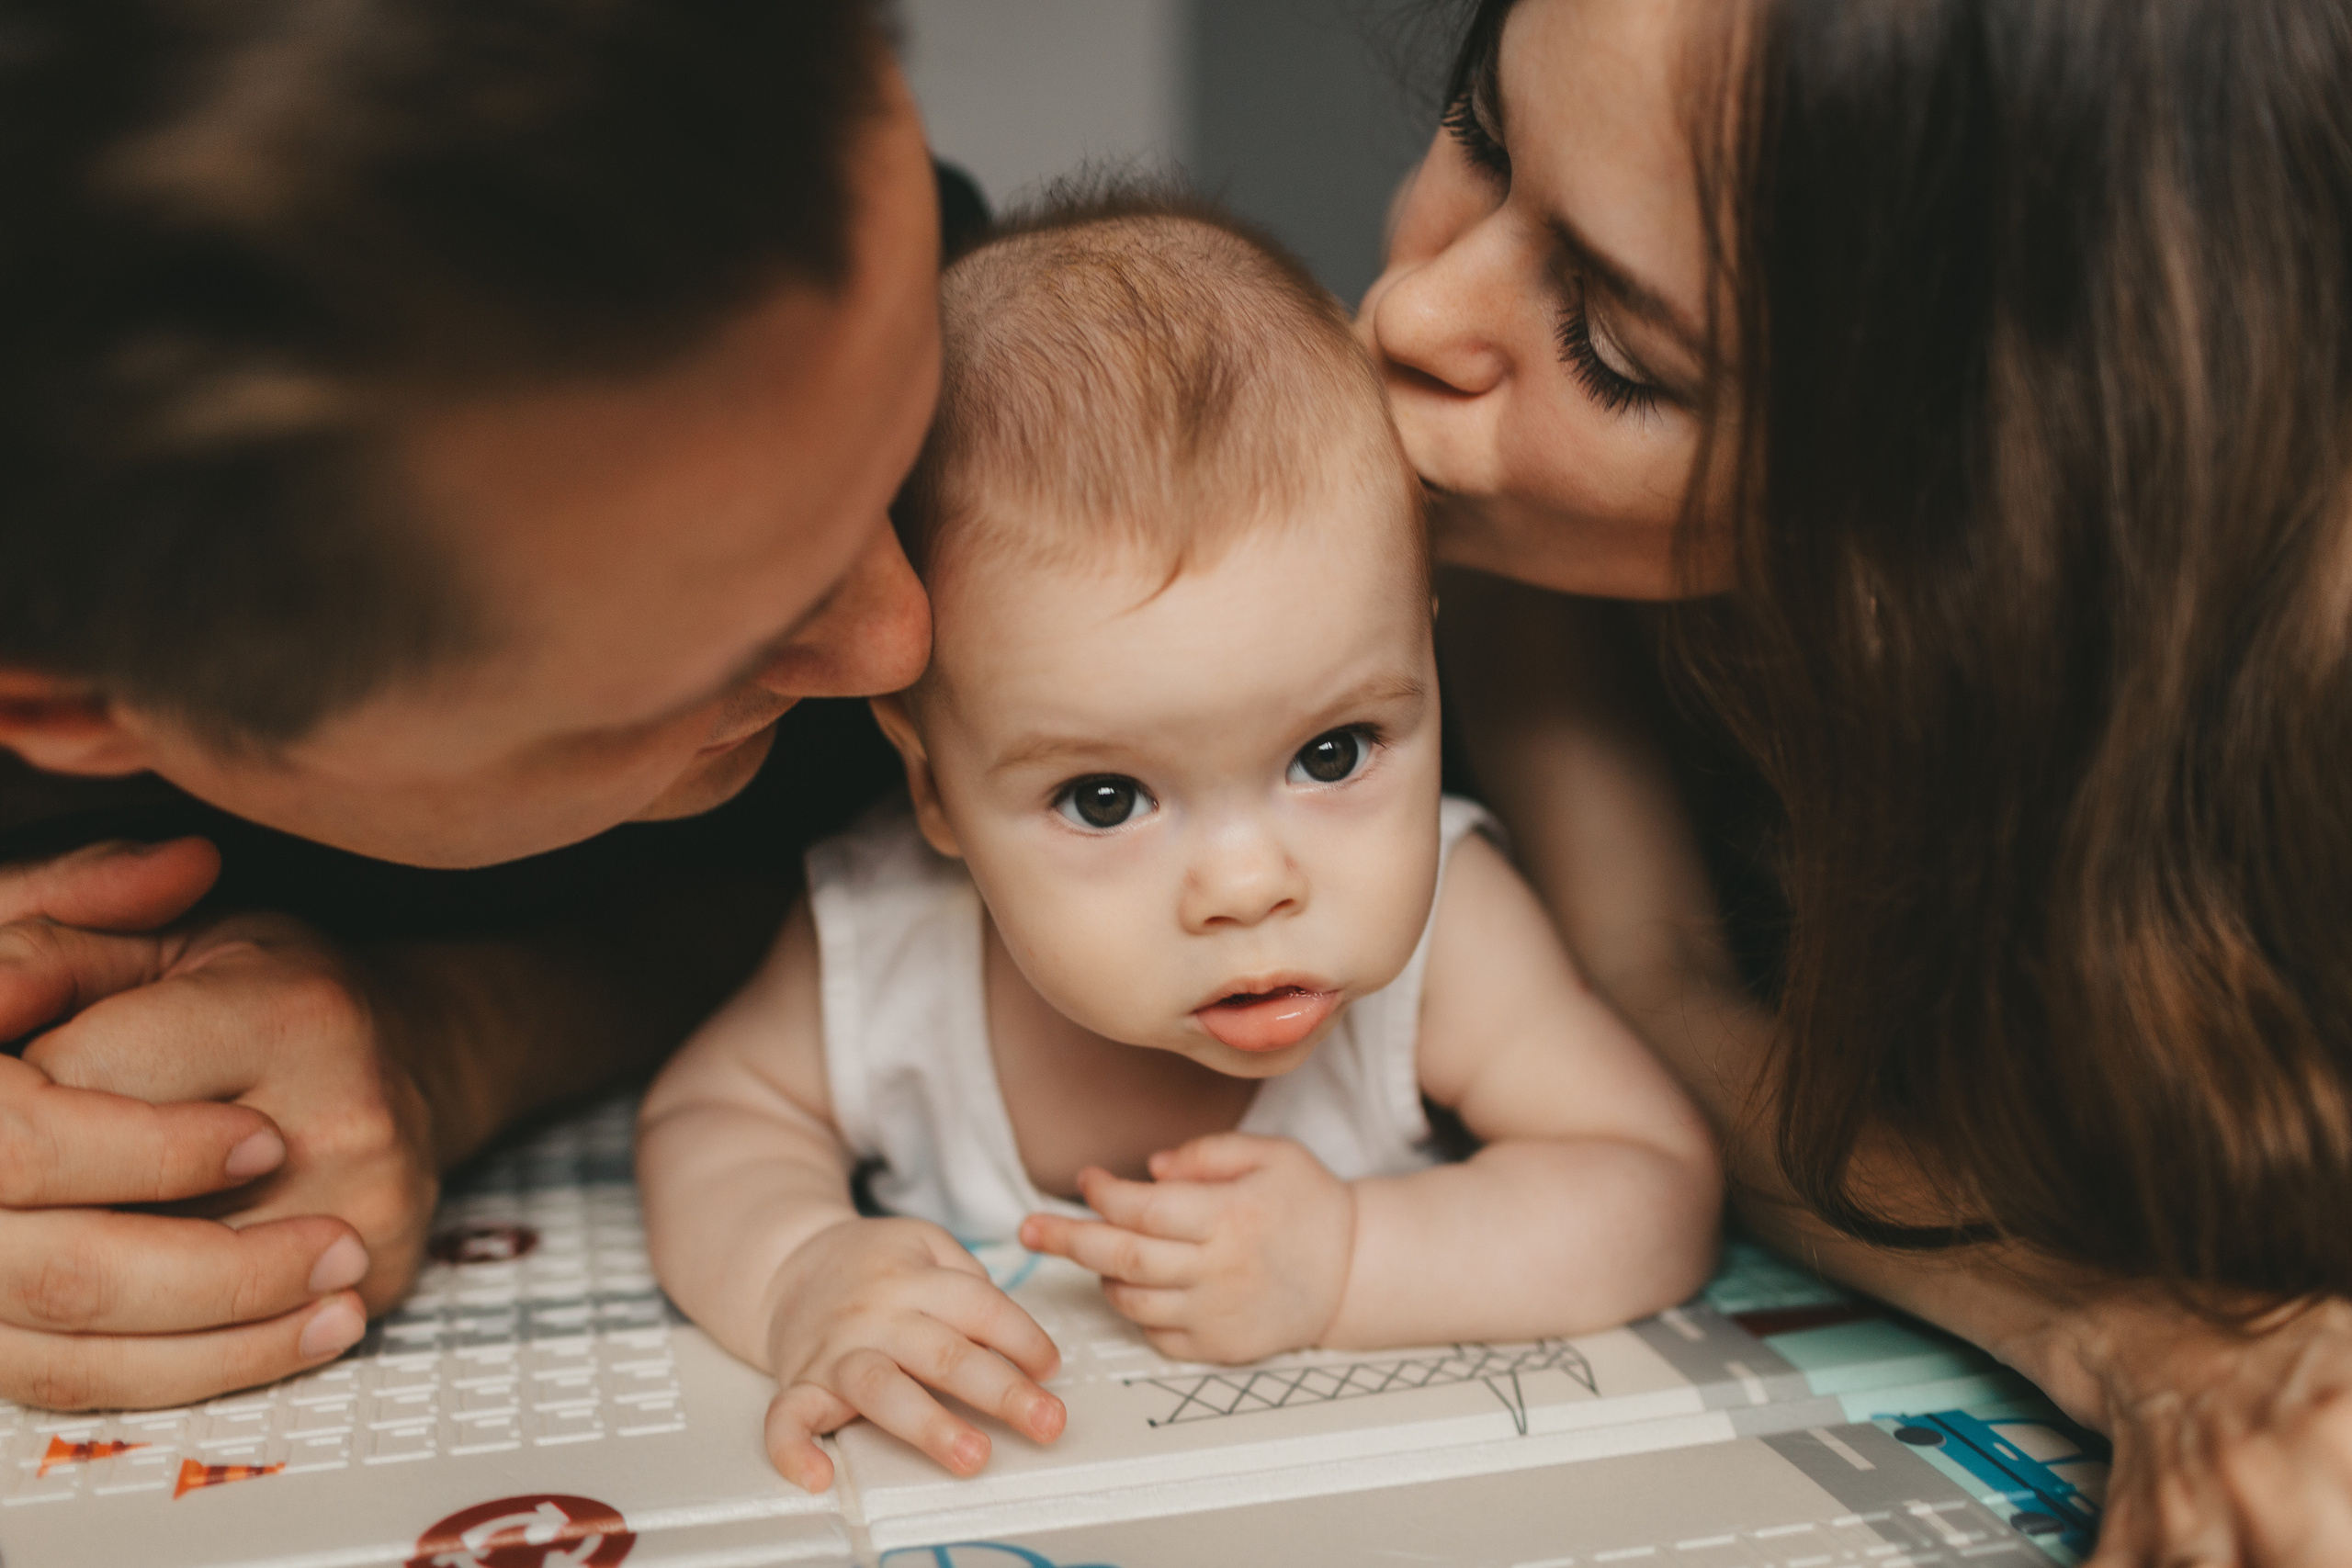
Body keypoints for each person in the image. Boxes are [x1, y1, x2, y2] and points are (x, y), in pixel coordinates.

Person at [1357, 0, 2352, 1562]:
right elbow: (1642, 976)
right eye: (1483, 131)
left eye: (1614, 353)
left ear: (1981, 505)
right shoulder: (1504, 531)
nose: (1411, 309)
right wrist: (2137, 1339)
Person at [636, 197, 1720, 1492]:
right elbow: (713, 1117)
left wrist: (1357, 1261)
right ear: (935, 793)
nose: (1253, 884)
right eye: (1105, 799)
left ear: (1424, 656)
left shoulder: (1455, 931)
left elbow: (1650, 1182)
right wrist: (799, 1270)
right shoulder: (891, 940)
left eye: (1334, 753)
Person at [0, 0, 961, 1411]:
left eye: (907, 432)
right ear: (86, 704)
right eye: (717, 651)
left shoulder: (779, 257)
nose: (904, 641)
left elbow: (893, 858)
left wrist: (449, 1032)